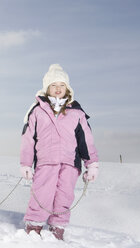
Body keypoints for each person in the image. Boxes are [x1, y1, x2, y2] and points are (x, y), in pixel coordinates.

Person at [20, 64, 99, 240]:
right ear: (47, 88)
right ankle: (34, 224)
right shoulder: (37, 110)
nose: (58, 89)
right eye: (54, 85)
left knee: (64, 195)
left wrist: (91, 164)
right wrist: (26, 163)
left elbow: (86, 140)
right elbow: (28, 138)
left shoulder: (77, 112)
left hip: (70, 162)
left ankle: (58, 227)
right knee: (42, 193)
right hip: (45, 161)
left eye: (62, 85)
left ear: (67, 89)